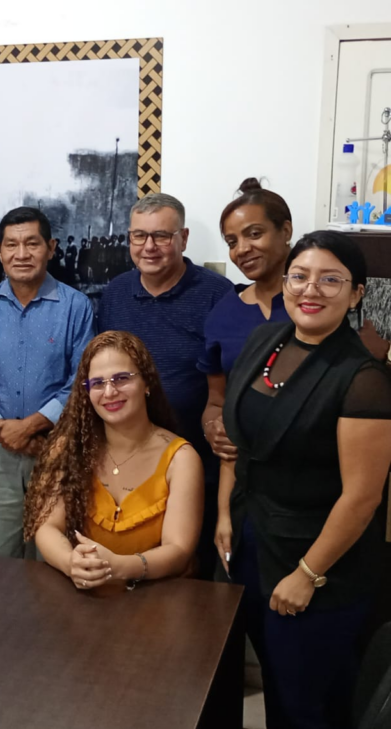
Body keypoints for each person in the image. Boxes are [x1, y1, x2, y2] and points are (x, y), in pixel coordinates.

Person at [223, 231, 391, 728]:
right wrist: (225, 515)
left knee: (305, 703)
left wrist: (307, 574)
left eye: (330, 280)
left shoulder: (362, 379)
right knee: (280, 685)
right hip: (254, 539)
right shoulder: (265, 341)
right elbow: (240, 443)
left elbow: (362, 497)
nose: (310, 290)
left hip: (319, 562)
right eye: (300, 276)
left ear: (356, 294)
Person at [98, 193, 233, 577]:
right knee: (128, 567)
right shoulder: (115, 294)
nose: (149, 247)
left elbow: (229, 378)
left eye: (161, 236)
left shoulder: (217, 294)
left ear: (183, 238)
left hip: (197, 463)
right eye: (139, 236)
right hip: (127, 468)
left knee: (190, 572)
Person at [0, 206, 94, 558]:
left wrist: (31, 427)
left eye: (32, 243)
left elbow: (81, 380)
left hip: (56, 449)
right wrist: (6, 431)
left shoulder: (76, 307)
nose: (21, 254)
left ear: (51, 248)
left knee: (55, 559)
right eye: (11, 244)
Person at [23, 332, 203, 588]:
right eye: (97, 383)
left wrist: (120, 567)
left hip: (157, 594)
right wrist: (70, 562)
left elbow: (179, 550)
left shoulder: (181, 459)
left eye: (122, 378)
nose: (109, 392)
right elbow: (47, 527)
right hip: (86, 591)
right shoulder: (69, 448)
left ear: (147, 383)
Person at [196, 179, 293, 575]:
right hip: (243, 483)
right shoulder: (224, 314)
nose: (242, 249)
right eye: (232, 241)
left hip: (307, 483)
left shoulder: (314, 303)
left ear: (285, 230)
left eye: (255, 234)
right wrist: (212, 427)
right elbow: (216, 401)